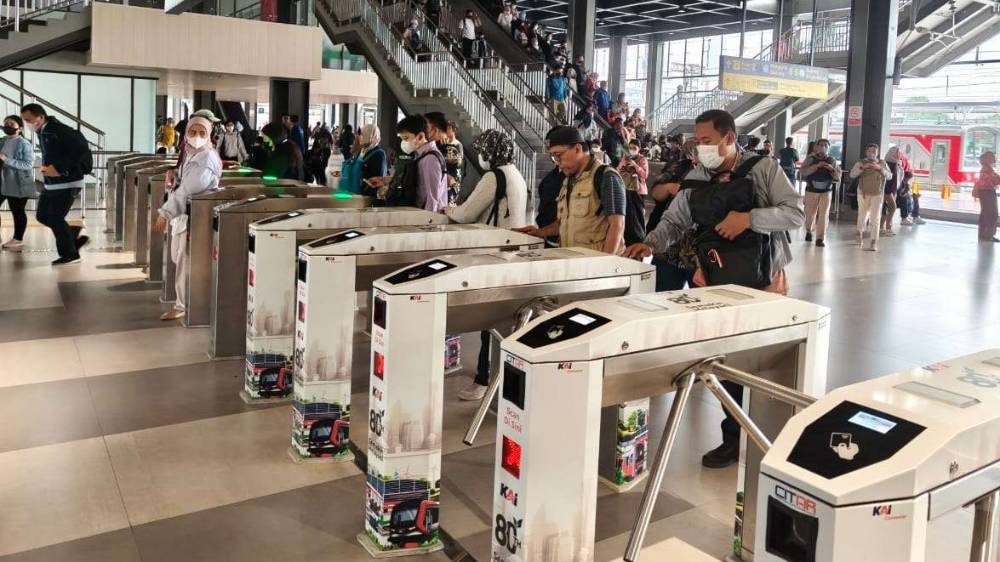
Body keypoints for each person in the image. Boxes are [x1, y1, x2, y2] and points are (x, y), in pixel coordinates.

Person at [622, 109, 804, 468]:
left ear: (729, 138)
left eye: (707, 141)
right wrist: (650, 244)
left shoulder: (763, 169)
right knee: (725, 361)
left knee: (764, 362)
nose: (700, 148)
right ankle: (733, 438)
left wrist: (749, 219)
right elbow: (675, 220)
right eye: (698, 141)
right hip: (716, 278)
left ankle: (772, 438)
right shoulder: (697, 177)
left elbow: (795, 213)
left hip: (765, 281)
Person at [448, 130, 528, 402]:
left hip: (494, 253)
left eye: (482, 150)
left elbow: (466, 213)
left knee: (489, 321)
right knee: (506, 320)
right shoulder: (516, 174)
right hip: (514, 250)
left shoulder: (494, 177)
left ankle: (484, 379)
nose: (480, 156)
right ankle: (496, 378)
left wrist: (450, 210)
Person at [154, 114, 222, 320]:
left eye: (202, 133)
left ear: (209, 134)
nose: (197, 136)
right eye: (192, 132)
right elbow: (185, 181)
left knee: (184, 260)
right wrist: (174, 173)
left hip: (196, 216)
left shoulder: (206, 158)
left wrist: (165, 212)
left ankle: (182, 304)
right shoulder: (192, 153)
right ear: (185, 134)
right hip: (185, 215)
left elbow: (189, 189)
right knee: (178, 256)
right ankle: (184, 302)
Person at [519, 126, 626, 255]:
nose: (557, 162)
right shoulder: (569, 180)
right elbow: (564, 222)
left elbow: (617, 225)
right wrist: (539, 232)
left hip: (596, 263)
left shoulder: (605, 176)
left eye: (558, 155)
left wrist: (603, 263)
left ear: (577, 149)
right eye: (553, 157)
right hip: (573, 261)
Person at [21, 103, 92, 265]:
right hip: (52, 184)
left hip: (68, 182)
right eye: (25, 120)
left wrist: (59, 168)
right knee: (42, 216)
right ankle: (72, 235)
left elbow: (81, 150)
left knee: (55, 218)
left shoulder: (58, 130)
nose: (27, 123)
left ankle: (70, 254)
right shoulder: (43, 131)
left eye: (29, 120)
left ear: (40, 117)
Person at [646, 139, 699, 291]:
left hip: (703, 255)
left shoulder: (722, 175)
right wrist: (670, 187)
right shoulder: (679, 167)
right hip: (668, 248)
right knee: (660, 296)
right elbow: (656, 193)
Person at [391, 115, 448, 211]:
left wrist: (425, 220)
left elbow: (432, 200)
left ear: (420, 136)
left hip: (428, 216)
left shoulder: (430, 159)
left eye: (406, 138)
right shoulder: (422, 155)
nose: (403, 143)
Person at [0, 115, 36, 251]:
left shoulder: (24, 144)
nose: (7, 126)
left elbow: (28, 164)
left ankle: (18, 239)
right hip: (2, 181)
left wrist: (6, 160)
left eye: (11, 124)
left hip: (18, 183)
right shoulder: (2, 141)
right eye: (6, 123)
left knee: (17, 211)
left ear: (20, 128)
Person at [799, 138, 840, 247]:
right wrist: (816, 166)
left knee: (824, 214)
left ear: (829, 148)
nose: (823, 147)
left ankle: (820, 238)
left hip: (826, 191)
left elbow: (838, 177)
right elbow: (803, 172)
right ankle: (809, 230)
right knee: (810, 213)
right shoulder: (810, 159)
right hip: (811, 190)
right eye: (821, 145)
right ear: (816, 147)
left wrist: (831, 169)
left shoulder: (832, 160)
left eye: (826, 145)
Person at [849, 143, 890, 251]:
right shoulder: (860, 163)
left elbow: (890, 176)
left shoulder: (882, 163)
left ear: (877, 153)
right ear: (866, 152)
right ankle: (859, 233)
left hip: (877, 194)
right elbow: (852, 174)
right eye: (870, 151)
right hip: (862, 193)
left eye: (874, 151)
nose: (872, 153)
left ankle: (873, 241)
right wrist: (863, 168)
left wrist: (880, 169)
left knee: (875, 218)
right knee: (862, 215)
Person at [618, 139, 648, 245]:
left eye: (634, 148)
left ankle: (640, 237)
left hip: (638, 191)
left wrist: (635, 166)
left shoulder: (643, 160)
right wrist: (623, 167)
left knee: (639, 215)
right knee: (627, 214)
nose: (632, 150)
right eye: (630, 148)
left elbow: (645, 175)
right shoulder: (625, 158)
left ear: (639, 149)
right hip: (626, 189)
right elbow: (618, 170)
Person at [973, 151, 999, 242]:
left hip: (984, 192)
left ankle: (983, 235)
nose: (994, 158)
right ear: (988, 158)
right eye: (992, 157)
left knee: (985, 213)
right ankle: (988, 235)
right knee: (992, 214)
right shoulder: (987, 169)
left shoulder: (986, 168)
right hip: (988, 192)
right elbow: (995, 180)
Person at [881, 146, 903, 237]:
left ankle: (881, 227)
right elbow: (889, 179)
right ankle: (888, 228)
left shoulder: (897, 164)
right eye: (897, 152)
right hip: (887, 190)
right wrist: (888, 191)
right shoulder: (888, 164)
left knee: (886, 208)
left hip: (893, 190)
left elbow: (898, 179)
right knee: (892, 208)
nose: (899, 154)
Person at [440, 122, 464, 201]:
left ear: (454, 130)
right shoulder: (444, 144)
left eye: (449, 128)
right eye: (446, 128)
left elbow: (459, 160)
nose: (447, 130)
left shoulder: (458, 144)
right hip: (444, 173)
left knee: (451, 197)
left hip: (454, 174)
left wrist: (445, 159)